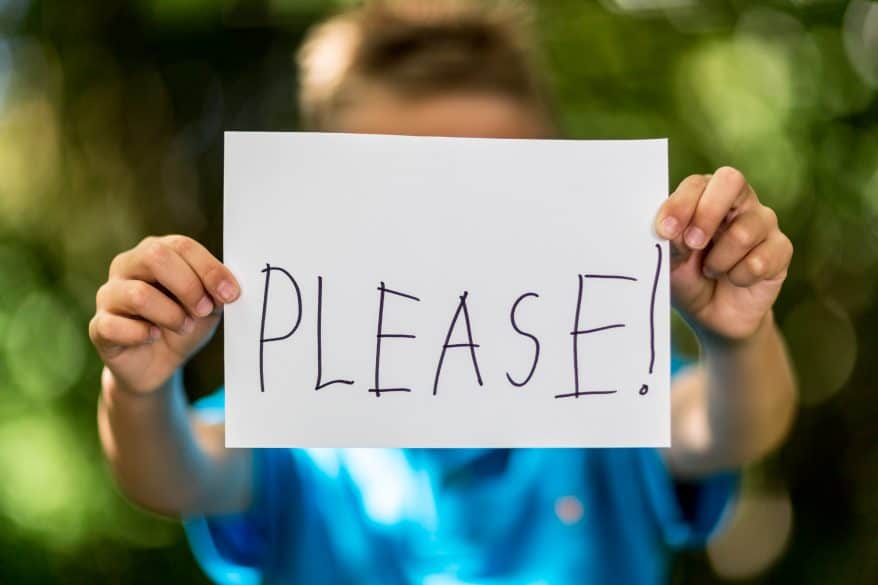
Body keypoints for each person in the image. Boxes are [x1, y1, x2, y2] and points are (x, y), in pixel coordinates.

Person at [89, 2, 797, 583]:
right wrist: (141, 390)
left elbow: (731, 423)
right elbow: (174, 472)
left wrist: (736, 336)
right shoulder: (298, 408)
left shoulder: (603, 385)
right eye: (399, 201)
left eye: (490, 197)